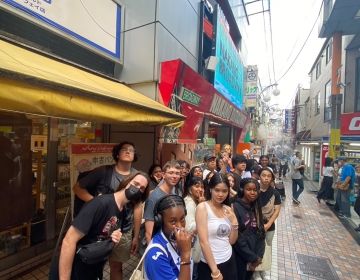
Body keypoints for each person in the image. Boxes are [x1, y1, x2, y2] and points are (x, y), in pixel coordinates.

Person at [59, 172, 149, 280]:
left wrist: (112, 239)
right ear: (127, 182)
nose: (137, 188)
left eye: (142, 188)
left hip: (94, 267)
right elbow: (69, 241)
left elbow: (100, 235)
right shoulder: (100, 203)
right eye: (135, 183)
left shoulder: (122, 210)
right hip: (78, 266)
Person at [72, 142, 140, 280]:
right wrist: (97, 203)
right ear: (117, 154)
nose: (128, 151)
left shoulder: (137, 177)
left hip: (123, 230)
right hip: (99, 229)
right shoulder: (103, 171)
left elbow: (138, 206)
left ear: (134, 156)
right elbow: (78, 188)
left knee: (116, 267)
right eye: (124, 149)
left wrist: (136, 235)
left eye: (131, 150)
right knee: (94, 266)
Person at [195, 173, 238, 280]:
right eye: (217, 190)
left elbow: (232, 241)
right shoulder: (202, 208)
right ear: (210, 189)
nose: (220, 194)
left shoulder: (228, 208)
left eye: (224, 191)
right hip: (209, 265)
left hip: (228, 259)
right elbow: (203, 242)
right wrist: (215, 272)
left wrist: (234, 223)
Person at [144, 195, 193, 280]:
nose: (180, 226)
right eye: (173, 221)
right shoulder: (155, 254)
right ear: (160, 221)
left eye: (182, 219)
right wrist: (185, 254)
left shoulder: (176, 240)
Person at [232, 178, 265, 280]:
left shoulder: (255, 206)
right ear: (242, 190)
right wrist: (252, 257)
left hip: (254, 255)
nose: (252, 193)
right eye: (248, 189)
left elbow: (261, 233)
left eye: (255, 190)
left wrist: (259, 257)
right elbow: (238, 238)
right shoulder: (235, 207)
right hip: (240, 256)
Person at [144, 160, 181, 244]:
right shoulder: (154, 196)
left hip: (170, 241)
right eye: (171, 173)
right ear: (164, 175)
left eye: (177, 173)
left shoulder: (175, 194)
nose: (174, 176)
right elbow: (148, 233)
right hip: (157, 242)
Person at [253, 167, 281, 280]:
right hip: (254, 224)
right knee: (254, 247)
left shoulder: (275, 193)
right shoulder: (254, 190)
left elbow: (277, 210)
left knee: (267, 247)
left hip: (269, 226)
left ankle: (264, 270)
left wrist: (268, 224)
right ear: (259, 176)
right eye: (264, 175)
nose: (266, 178)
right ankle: (255, 270)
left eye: (269, 176)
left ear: (272, 179)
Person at [183, 176, 205, 279]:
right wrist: (202, 208)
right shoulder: (189, 203)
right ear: (189, 190)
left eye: (202, 187)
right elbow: (189, 228)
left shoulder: (194, 201)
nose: (200, 189)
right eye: (197, 186)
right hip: (191, 248)